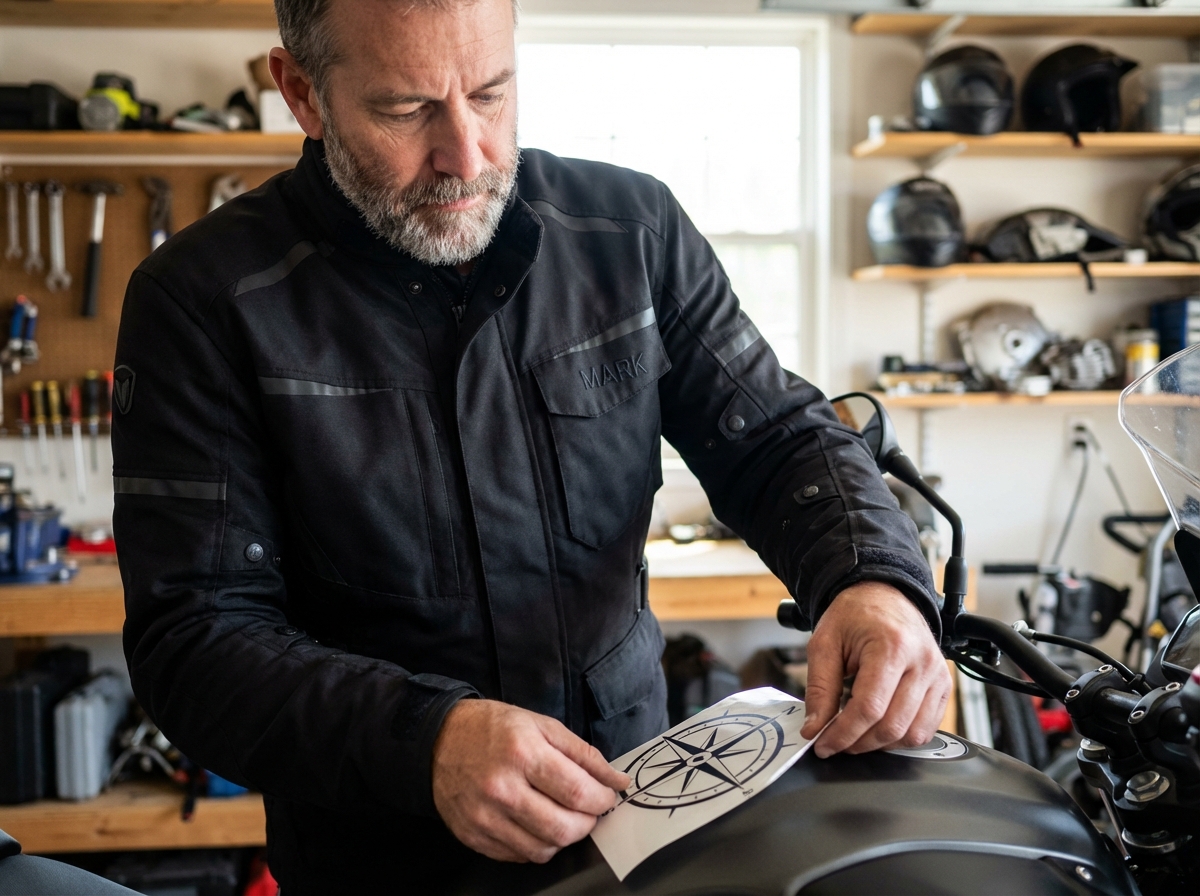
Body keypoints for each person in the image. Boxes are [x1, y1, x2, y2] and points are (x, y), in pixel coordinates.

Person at [112, 0, 951, 891]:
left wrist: (871, 579)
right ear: (302, 93)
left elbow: (777, 438)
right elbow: (195, 638)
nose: (466, 157)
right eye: (406, 110)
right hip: (382, 859)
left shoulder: (632, 232)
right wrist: (424, 738)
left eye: (490, 92)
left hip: (642, 824)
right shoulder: (200, 301)